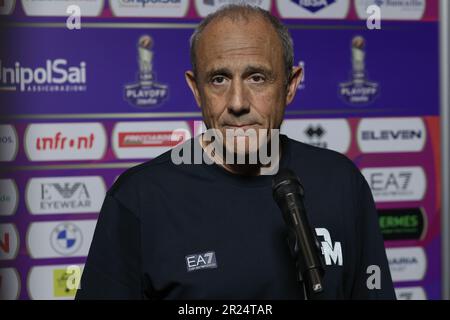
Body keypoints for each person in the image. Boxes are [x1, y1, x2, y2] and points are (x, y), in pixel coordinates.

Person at [76, 4, 395, 300]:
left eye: (258, 78)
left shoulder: (342, 182)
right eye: (219, 79)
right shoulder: (138, 199)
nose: (238, 102)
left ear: (290, 85)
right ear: (196, 90)